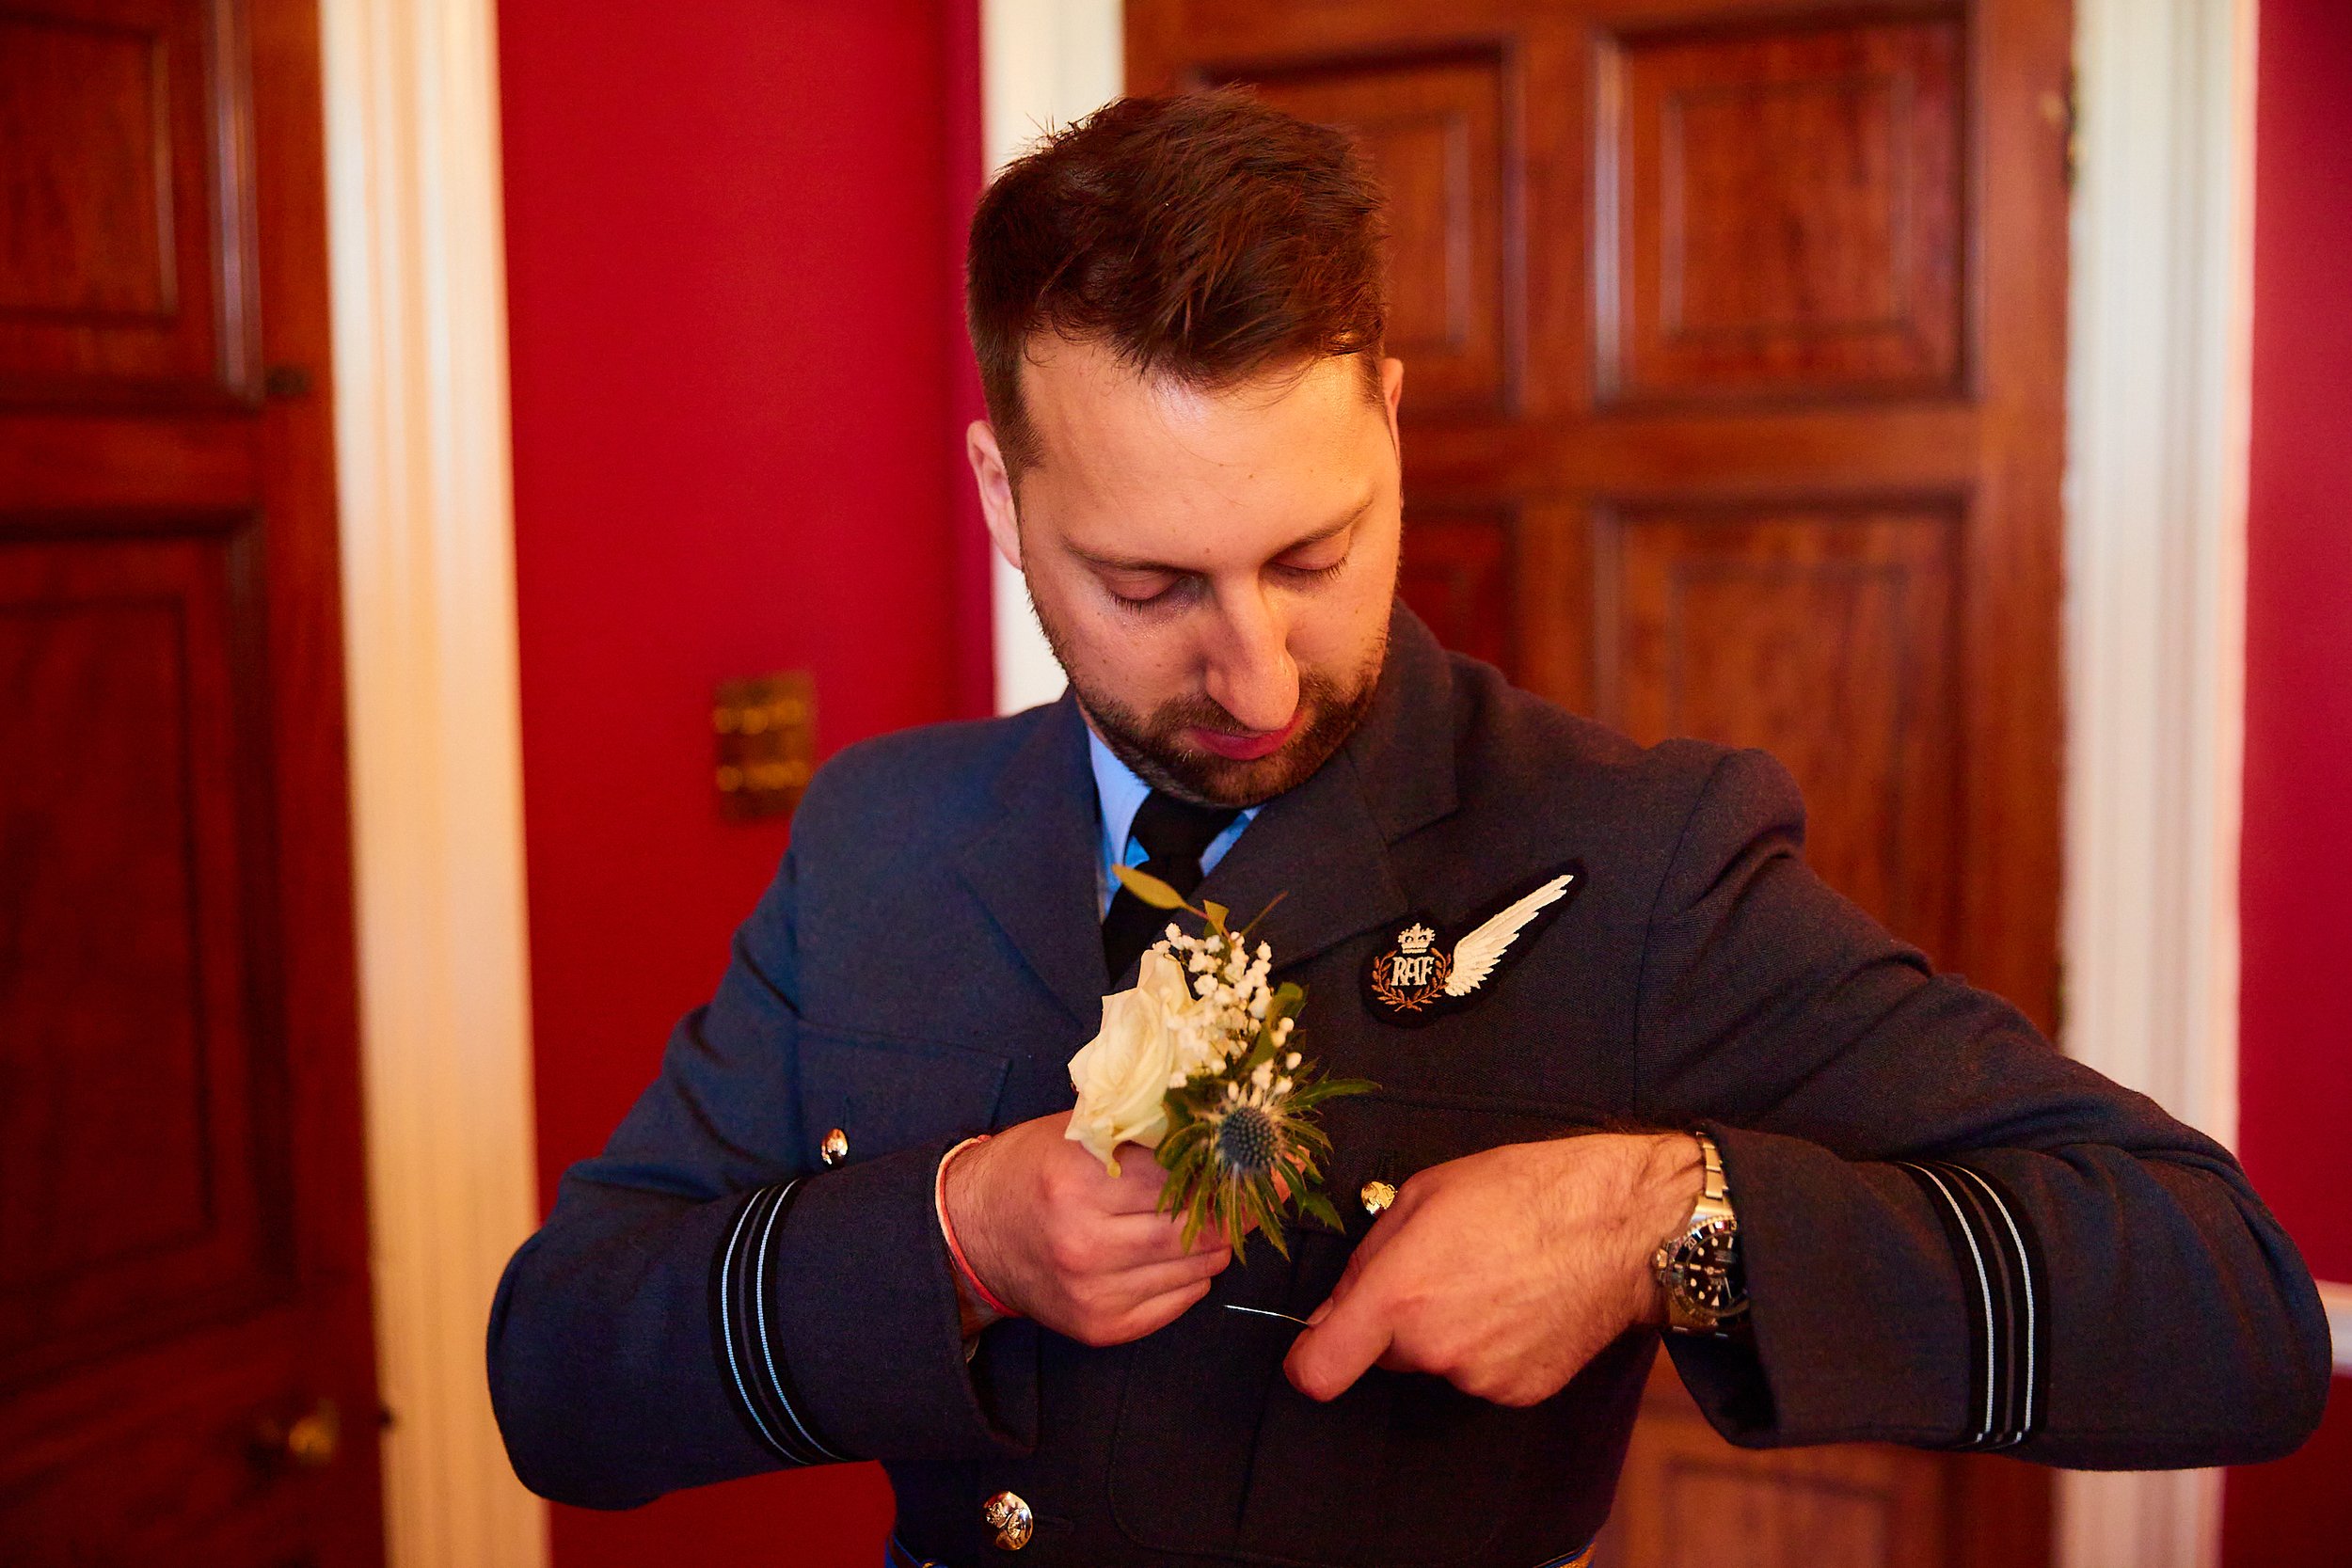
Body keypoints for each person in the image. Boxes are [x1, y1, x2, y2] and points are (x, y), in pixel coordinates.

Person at [486, 92, 2328, 1568]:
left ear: (1386, 416)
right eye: (1148, 584)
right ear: (1000, 492)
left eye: (1312, 554)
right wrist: (955, 1237)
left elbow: (2219, 1306)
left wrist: (1663, 1228)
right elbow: (558, 1377)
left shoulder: (1632, 852)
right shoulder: (878, 840)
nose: (1263, 680)